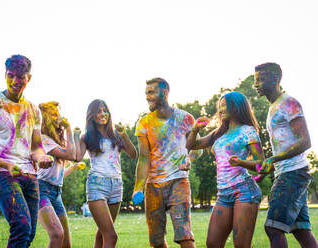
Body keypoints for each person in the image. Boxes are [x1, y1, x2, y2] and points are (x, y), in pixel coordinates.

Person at [0, 54, 53, 247]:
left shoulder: (34, 109)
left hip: (30, 175)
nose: (16, 81)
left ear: (29, 78)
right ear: (5, 74)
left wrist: (42, 157)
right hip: (3, 173)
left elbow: (36, 147)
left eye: (21, 76)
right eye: (11, 75)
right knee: (21, 226)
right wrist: (6, 164)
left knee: (29, 234)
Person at [186, 91, 264, 248]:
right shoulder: (219, 133)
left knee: (241, 245)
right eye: (219, 107)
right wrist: (195, 130)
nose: (220, 111)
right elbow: (191, 145)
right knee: (213, 243)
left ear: (236, 107)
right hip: (223, 194)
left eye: (224, 106)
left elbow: (261, 164)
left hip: (244, 191)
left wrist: (242, 162)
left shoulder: (248, 131)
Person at [254, 62, 318, 248]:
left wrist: (274, 159)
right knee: (301, 230)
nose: (257, 84)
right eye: (256, 80)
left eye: (261, 79)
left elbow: (305, 141)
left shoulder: (288, 103)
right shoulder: (273, 107)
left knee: (273, 228)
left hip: (294, 173)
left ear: (276, 79)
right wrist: (269, 166)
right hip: (287, 172)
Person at [132, 78, 201, 248]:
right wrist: (137, 187)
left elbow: (197, 148)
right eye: (146, 93)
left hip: (178, 181)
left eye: (151, 92)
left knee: (184, 234)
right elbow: (143, 158)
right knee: (156, 241)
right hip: (153, 186)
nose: (147, 97)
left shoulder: (186, 118)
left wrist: (188, 159)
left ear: (165, 92)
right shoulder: (144, 123)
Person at [75, 99, 137, 248]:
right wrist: (75, 136)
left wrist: (125, 136)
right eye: (99, 111)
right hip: (97, 184)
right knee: (111, 236)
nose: (103, 114)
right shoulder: (87, 136)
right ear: (92, 116)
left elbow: (133, 154)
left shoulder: (116, 135)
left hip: (116, 185)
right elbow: (77, 157)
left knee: (102, 234)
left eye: (105, 110)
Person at [37, 101, 83, 248]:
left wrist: (75, 135)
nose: (58, 117)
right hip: (41, 192)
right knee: (57, 234)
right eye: (54, 114)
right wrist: (68, 128)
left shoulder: (54, 141)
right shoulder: (43, 139)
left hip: (56, 193)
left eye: (58, 113)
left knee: (66, 245)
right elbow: (70, 154)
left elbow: (74, 157)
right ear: (45, 118)